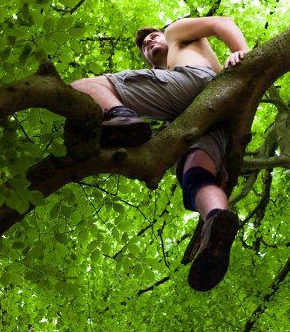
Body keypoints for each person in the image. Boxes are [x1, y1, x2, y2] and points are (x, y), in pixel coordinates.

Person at [70, 16, 249, 291]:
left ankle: (121, 115)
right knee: (194, 176)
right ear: (152, 67)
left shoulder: (176, 33)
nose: (149, 42)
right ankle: (216, 220)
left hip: (194, 81)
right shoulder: (166, 70)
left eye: (152, 36)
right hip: (214, 118)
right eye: (143, 46)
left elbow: (221, 22)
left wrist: (241, 50)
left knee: (84, 87)